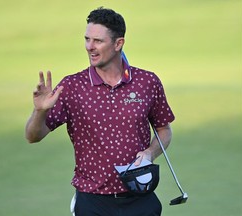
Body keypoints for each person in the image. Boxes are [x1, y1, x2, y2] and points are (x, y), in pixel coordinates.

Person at [25, 7, 175, 216]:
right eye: (87, 39)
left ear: (118, 43)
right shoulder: (72, 86)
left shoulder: (147, 82)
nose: (89, 47)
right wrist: (39, 110)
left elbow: (164, 130)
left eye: (97, 41)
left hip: (140, 199)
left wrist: (150, 152)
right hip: (92, 203)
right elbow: (33, 136)